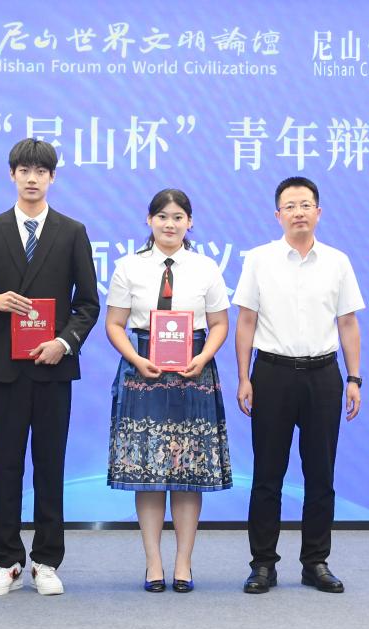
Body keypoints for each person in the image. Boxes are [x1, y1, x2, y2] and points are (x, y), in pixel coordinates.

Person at [0, 138, 100, 596]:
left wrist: (64, 342)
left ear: (52, 177)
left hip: (53, 367)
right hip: (3, 368)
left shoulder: (72, 231)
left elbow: (88, 303)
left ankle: (46, 560)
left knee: (50, 466)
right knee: (3, 466)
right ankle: (6, 561)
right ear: (12, 175)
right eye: (24, 170)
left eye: (41, 171)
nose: (32, 178)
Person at [233, 176, 364, 595]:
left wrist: (354, 378)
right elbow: (246, 321)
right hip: (271, 374)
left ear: (318, 212)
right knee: (267, 475)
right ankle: (263, 564)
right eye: (290, 206)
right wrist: (243, 377)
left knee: (320, 474)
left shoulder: (337, 261)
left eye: (305, 205)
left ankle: (316, 562)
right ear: (278, 215)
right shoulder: (259, 259)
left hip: (323, 376)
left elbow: (348, 322)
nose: (298, 213)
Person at [105, 188, 232, 593]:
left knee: (187, 472)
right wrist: (136, 359)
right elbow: (114, 324)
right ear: (149, 220)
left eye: (178, 217)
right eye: (162, 216)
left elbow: (220, 324)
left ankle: (183, 563)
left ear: (189, 222)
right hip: (143, 370)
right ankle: (153, 563)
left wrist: (204, 356)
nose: (170, 224)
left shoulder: (206, 268)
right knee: (147, 472)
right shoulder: (129, 267)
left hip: (195, 369)